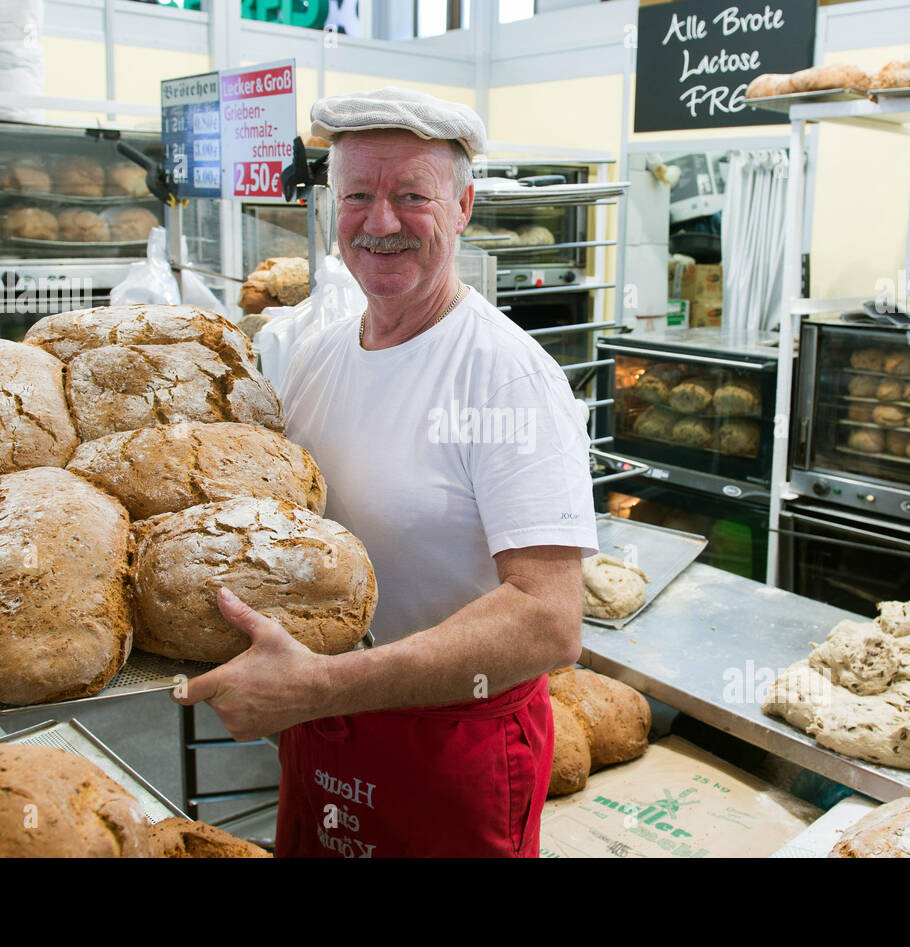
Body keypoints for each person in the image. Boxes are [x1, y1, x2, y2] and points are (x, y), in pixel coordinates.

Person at [176, 87, 597, 857]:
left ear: (464, 205)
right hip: (324, 728)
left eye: (412, 196)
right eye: (358, 195)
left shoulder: (505, 377)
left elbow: (549, 618)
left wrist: (326, 685)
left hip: (450, 746)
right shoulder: (317, 355)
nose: (380, 223)